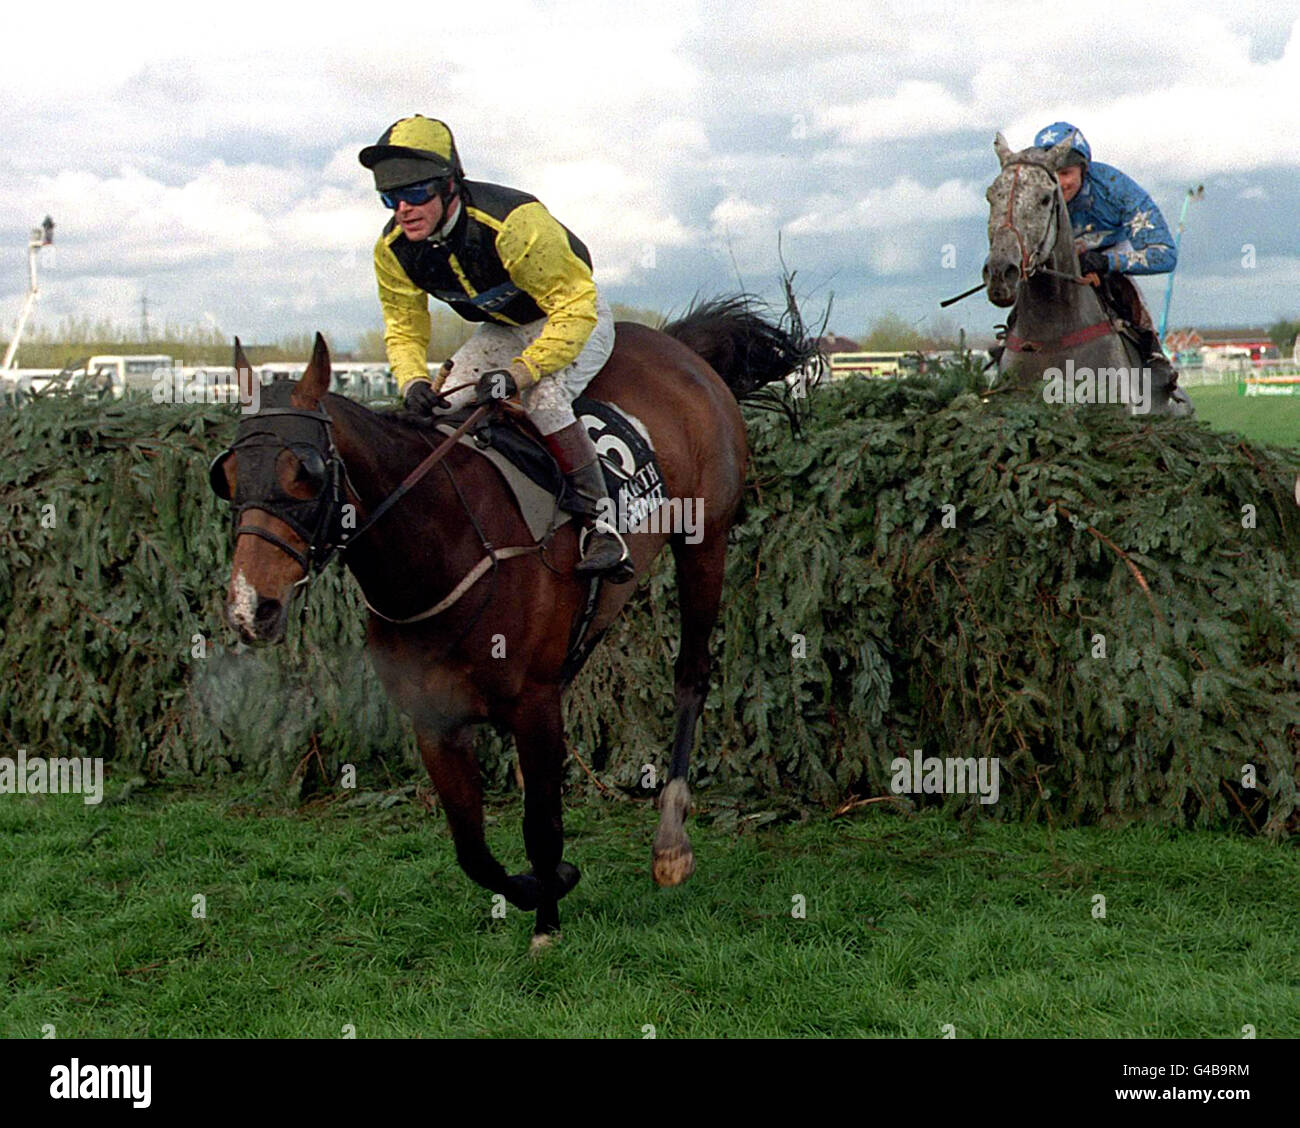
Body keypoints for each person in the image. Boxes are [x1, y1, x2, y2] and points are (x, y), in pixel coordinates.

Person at [359, 114, 630, 579]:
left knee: (543, 397)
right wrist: (413, 381)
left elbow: (575, 307)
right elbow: (403, 326)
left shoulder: (514, 223)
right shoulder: (393, 250)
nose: (403, 209)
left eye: (417, 192)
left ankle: (601, 525)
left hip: (573, 317)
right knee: (444, 404)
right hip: (502, 329)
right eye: (391, 198)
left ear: (449, 186)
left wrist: (522, 374)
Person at [1032, 121, 1179, 390]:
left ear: (1084, 169)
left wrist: (1108, 263)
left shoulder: (1116, 189)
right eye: (1050, 174)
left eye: (1065, 173)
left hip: (1110, 249)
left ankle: (1152, 357)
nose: (1058, 184)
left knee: (1122, 290)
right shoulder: (1029, 190)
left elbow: (1165, 255)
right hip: (1053, 256)